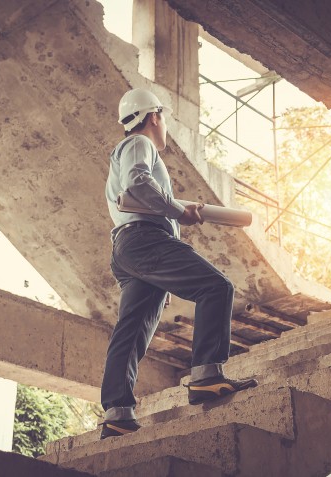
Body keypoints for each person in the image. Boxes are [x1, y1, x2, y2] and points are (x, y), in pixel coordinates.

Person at [100, 88, 258, 439]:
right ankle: (206, 376)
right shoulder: (140, 144)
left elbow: (133, 191)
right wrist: (177, 211)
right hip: (145, 240)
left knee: (132, 330)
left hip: (130, 249)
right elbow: (138, 183)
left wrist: (156, 275)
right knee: (217, 287)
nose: (165, 124)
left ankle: (118, 413)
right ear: (154, 116)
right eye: (164, 117)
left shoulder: (124, 150)